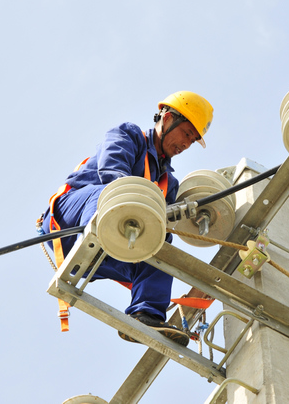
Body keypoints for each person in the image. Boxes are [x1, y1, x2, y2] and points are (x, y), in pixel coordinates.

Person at [40, 91, 213, 346]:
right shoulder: (129, 135)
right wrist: (137, 208)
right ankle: (107, 228)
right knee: (113, 196)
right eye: (187, 133)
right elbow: (112, 172)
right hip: (70, 221)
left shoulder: (168, 183)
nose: (187, 144)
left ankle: (145, 316)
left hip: (110, 247)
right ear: (167, 119)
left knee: (160, 242)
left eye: (193, 139)